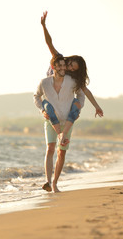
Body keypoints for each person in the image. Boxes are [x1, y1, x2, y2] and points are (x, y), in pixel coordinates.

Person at [41, 11, 104, 146]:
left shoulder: (71, 76)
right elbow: (49, 43)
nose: (68, 68)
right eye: (70, 64)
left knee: (75, 104)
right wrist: (44, 26)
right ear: (69, 59)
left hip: (62, 103)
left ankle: (62, 135)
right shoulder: (60, 60)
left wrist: (97, 107)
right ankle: (60, 135)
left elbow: (85, 91)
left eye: (73, 69)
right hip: (51, 98)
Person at [34, 55, 85, 193]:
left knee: (61, 152)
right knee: (50, 148)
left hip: (67, 121)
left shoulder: (72, 81)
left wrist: (78, 107)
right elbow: (37, 96)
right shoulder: (44, 82)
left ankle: (55, 183)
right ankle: (48, 182)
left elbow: (81, 95)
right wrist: (42, 109)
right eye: (60, 66)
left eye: (64, 65)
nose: (63, 68)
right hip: (50, 120)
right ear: (53, 67)